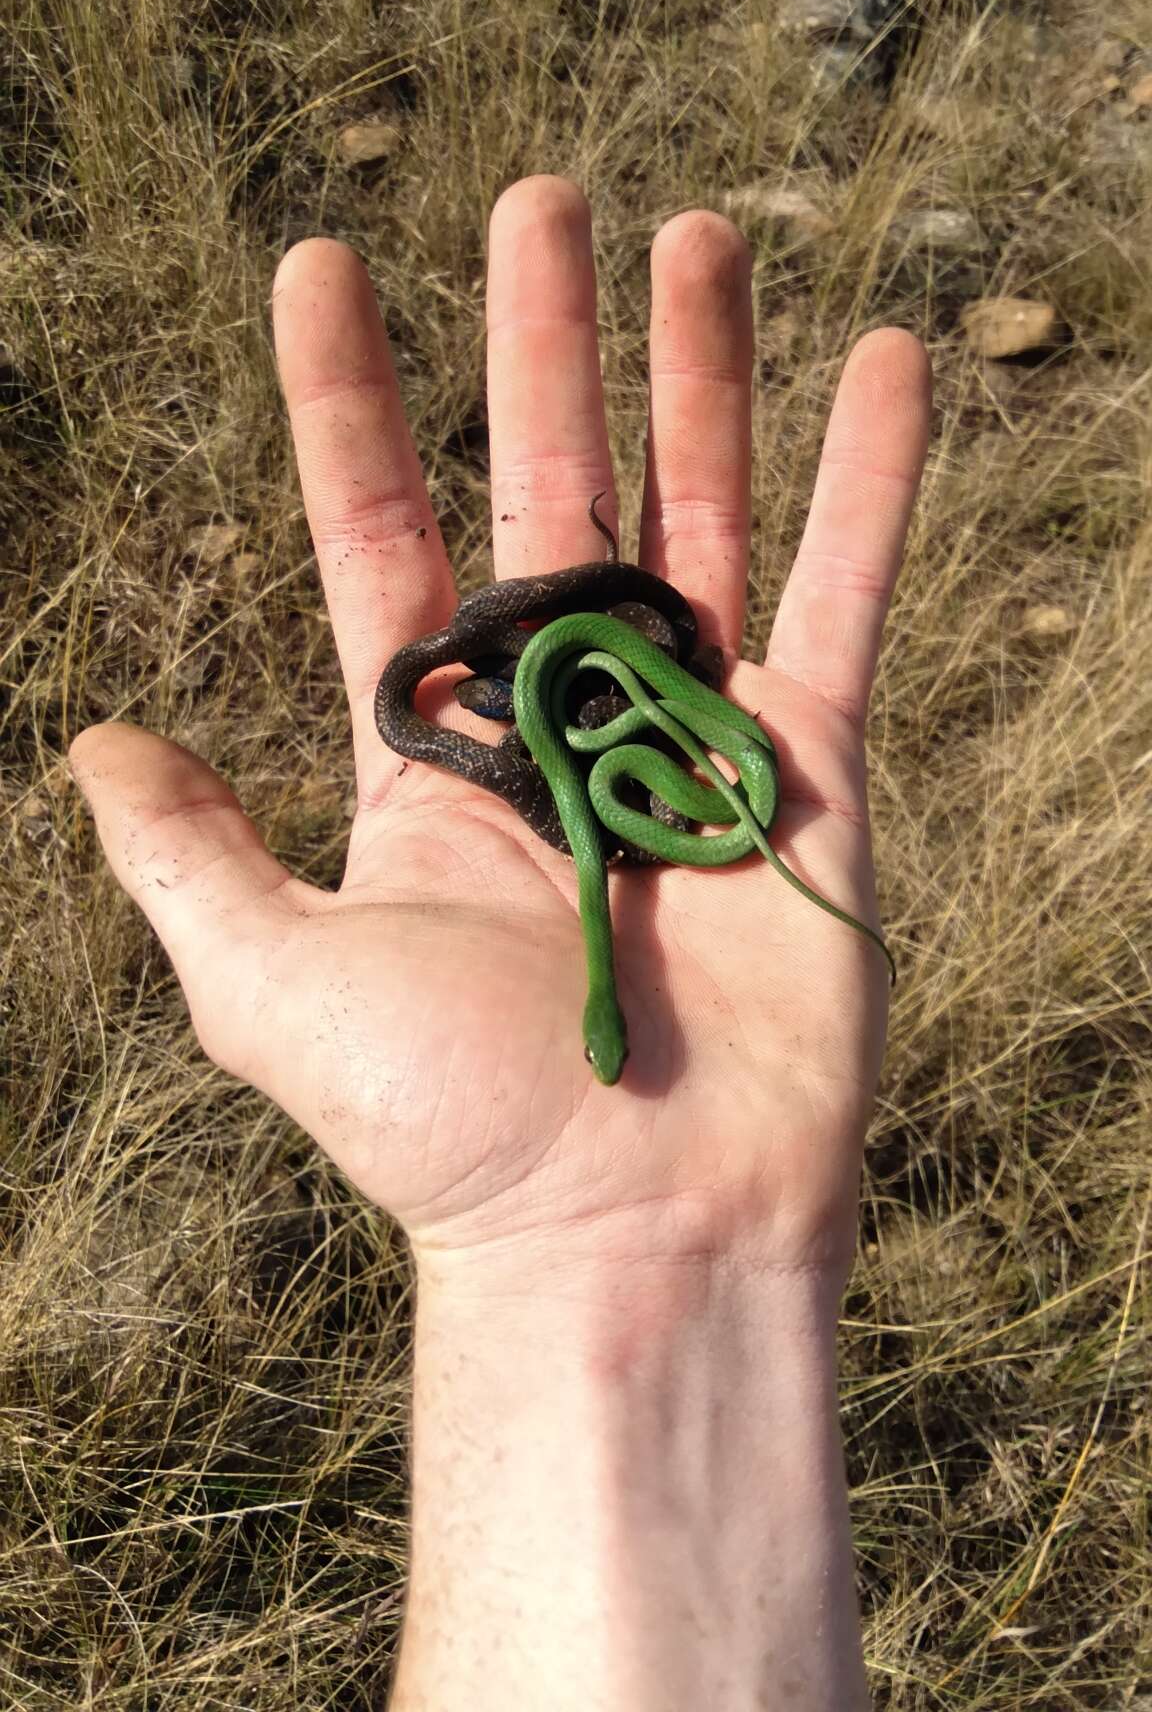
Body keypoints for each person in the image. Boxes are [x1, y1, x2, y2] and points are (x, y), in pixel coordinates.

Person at [70, 176, 931, 1709]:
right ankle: (610, 667)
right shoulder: (525, 744)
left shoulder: (636, 775)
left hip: (624, 698)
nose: (613, 1055)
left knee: (604, 735)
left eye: (607, 1048)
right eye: (610, 1041)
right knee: (587, 731)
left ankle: (614, 667)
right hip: (606, 697)